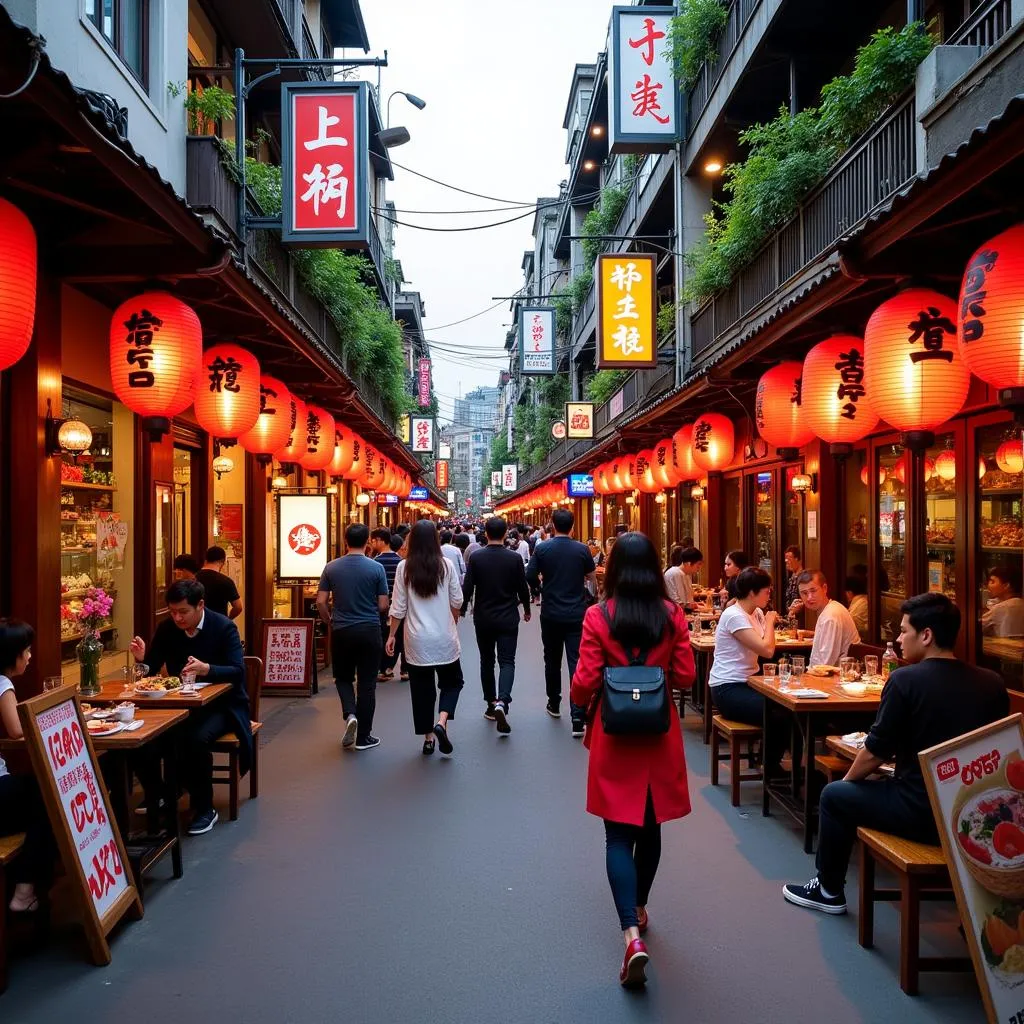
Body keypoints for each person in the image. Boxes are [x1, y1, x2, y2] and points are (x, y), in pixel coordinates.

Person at [784, 592, 1008, 915]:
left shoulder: (904, 680)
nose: (899, 639)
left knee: (833, 795)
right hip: (976, 810)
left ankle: (828, 890)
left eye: (904, 631)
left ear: (927, 635)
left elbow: (875, 751)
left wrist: (847, 783)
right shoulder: (993, 683)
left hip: (921, 811)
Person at [570, 532, 695, 989]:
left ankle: (630, 934)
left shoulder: (598, 615)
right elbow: (684, 674)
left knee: (617, 836)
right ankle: (640, 907)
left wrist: (587, 694)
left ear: (615, 569)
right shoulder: (673, 614)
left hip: (614, 735)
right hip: (659, 735)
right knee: (652, 827)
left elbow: (583, 682)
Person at [130, 580, 249, 835]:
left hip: (221, 705)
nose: (177, 618)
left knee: (194, 739)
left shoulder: (223, 627)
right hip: (177, 704)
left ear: (200, 605)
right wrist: (142, 660)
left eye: (183, 612)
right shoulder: (167, 629)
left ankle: (205, 807)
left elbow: (238, 672)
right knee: (139, 740)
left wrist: (208, 669)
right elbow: (151, 666)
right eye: (172, 611)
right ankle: (162, 792)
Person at [386, 520, 465, 756]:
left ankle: (428, 738)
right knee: (452, 682)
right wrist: (452, 618)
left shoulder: (404, 568)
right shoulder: (447, 565)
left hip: (416, 639)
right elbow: (457, 601)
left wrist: (391, 635)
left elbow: (398, 607)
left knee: (422, 690)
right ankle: (441, 722)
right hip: (444, 637)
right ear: (435, 539)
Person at [316, 523, 389, 752]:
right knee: (367, 684)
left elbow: (320, 601)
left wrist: (330, 619)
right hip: (369, 629)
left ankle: (350, 714)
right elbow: (383, 603)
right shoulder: (375, 568)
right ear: (368, 541)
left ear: (345, 540)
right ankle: (363, 737)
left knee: (343, 677)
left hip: (342, 630)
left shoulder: (331, 567)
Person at [0, 620, 56, 911]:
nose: (30, 656)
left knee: (38, 796)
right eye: (27, 650)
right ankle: (26, 888)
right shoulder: (2, 683)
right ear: (13, 655)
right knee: (52, 796)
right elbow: (16, 730)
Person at [526, 508, 597, 737]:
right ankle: (578, 714)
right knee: (576, 661)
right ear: (573, 526)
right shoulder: (582, 550)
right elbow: (592, 578)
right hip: (577, 613)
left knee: (552, 659)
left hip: (551, 612)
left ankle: (554, 703)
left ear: (552, 525)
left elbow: (529, 574)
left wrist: (539, 589)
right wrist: (590, 597)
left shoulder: (543, 548)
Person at [461, 516, 531, 733]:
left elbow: (468, 586)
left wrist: (462, 608)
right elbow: (522, 587)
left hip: (483, 617)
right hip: (508, 616)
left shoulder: (477, 557)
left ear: (486, 533)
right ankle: (503, 701)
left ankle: (491, 705)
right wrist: (527, 609)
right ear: (505, 534)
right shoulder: (513, 558)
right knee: (507, 661)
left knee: (487, 661)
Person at [708, 568, 781, 768]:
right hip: (728, 688)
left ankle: (771, 763)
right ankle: (770, 768)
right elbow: (767, 650)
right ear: (752, 592)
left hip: (750, 682)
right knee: (778, 714)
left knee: (787, 709)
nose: (769, 595)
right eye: (767, 591)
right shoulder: (734, 615)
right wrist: (769, 621)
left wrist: (766, 621)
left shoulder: (755, 612)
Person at [797, 570, 860, 667]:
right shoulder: (830, 609)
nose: (809, 597)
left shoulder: (830, 616)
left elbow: (824, 666)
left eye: (813, 591)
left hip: (838, 677)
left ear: (824, 588)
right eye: (804, 593)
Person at [375, 533, 404, 681]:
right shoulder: (401, 562)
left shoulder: (375, 562)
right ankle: (404, 670)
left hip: (382, 606)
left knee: (384, 637)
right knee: (401, 637)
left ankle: (383, 668)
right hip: (399, 604)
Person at [194, 546, 242, 620]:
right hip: (219, 624)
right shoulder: (226, 581)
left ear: (205, 560)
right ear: (223, 561)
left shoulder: (193, 579)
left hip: (196, 623)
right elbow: (238, 607)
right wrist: (227, 619)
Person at [982, 564, 1024, 637]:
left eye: (992, 582)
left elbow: (974, 628)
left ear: (1006, 585)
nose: (988, 585)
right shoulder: (1020, 603)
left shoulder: (1001, 608)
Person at [783, 545, 804, 620]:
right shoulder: (791, 577)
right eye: (786, 559)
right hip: (790, 616)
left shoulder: (803, 577)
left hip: (801, 617)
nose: (787, 561)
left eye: (789, 558)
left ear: (797, 559)